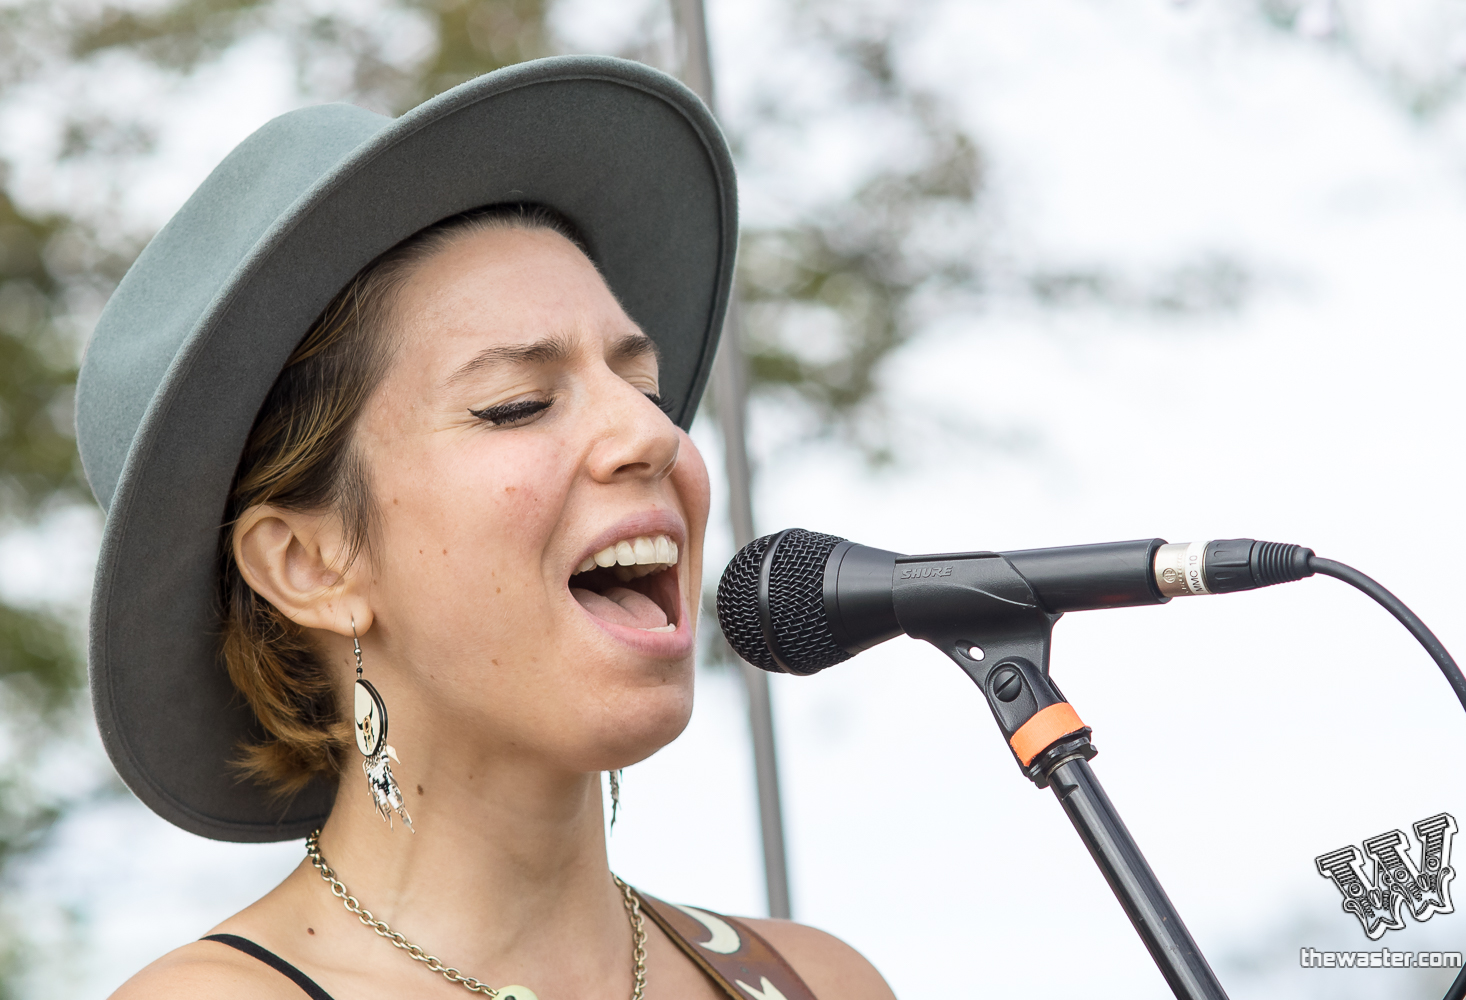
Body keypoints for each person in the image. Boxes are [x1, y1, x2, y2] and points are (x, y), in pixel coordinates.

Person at [75, 56, 895, 1000]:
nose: (653, 435)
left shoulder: (822, 982)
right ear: (309, 563)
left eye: (643, 386)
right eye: (517, 404)